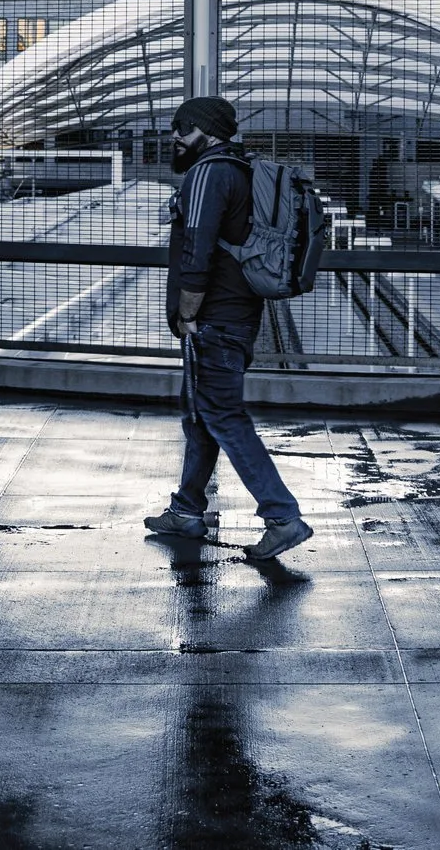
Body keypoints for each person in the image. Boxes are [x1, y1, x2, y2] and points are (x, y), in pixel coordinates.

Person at [142, 95, 313, 561]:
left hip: (213, 318)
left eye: (183, 127)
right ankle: (187, 509)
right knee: (201, 414)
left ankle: (282, 516)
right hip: (239, 313)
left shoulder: (208, 173)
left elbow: (197, 251)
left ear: (208, 131)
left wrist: (188, 313)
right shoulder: (237, 170)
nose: (174, 135)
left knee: (221, 415)